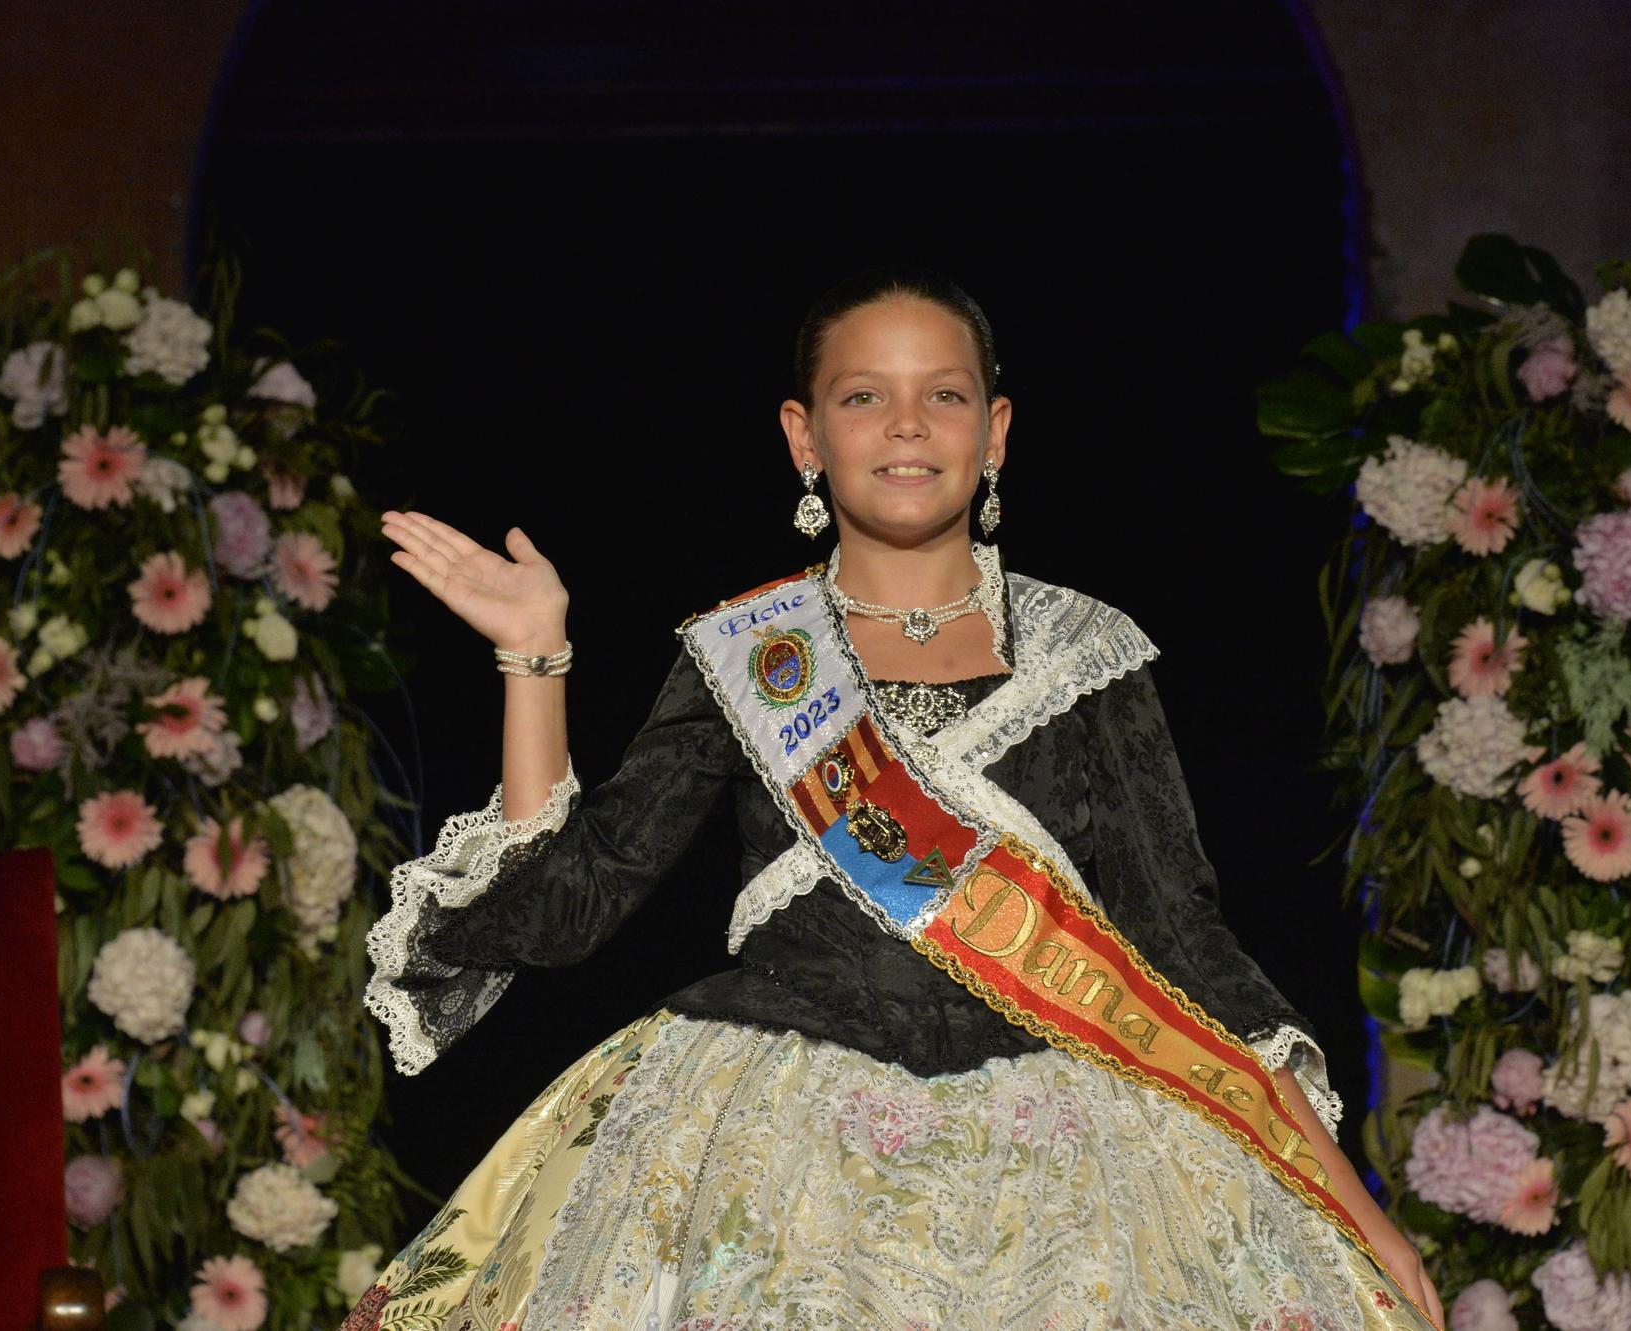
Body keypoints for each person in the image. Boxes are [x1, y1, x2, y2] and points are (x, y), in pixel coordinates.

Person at [347, 266, 1445, 1331]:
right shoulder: (745, 653)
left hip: (1063, 1156)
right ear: (802, 436)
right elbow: (565, 907)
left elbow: (1185, 946)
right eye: (863, 395)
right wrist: (534, 661)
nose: (907, 424)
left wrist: (1359, 1213)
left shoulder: (1088, 653)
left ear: (996, 430)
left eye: (945, 394)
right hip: (777, 1143)